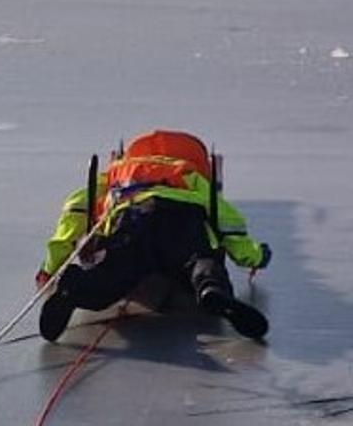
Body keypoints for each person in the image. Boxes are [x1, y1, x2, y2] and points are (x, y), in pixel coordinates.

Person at [37, 130, 271, 342]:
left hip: (134, 217)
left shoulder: (118, 172)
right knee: (200, 260)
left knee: (113, 273)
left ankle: (75, 288)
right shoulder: (187, 173)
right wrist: (254, 256)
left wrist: (51, 266)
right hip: (183, 218)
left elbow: (76, 208)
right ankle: (211, 289)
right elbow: (227, 221)